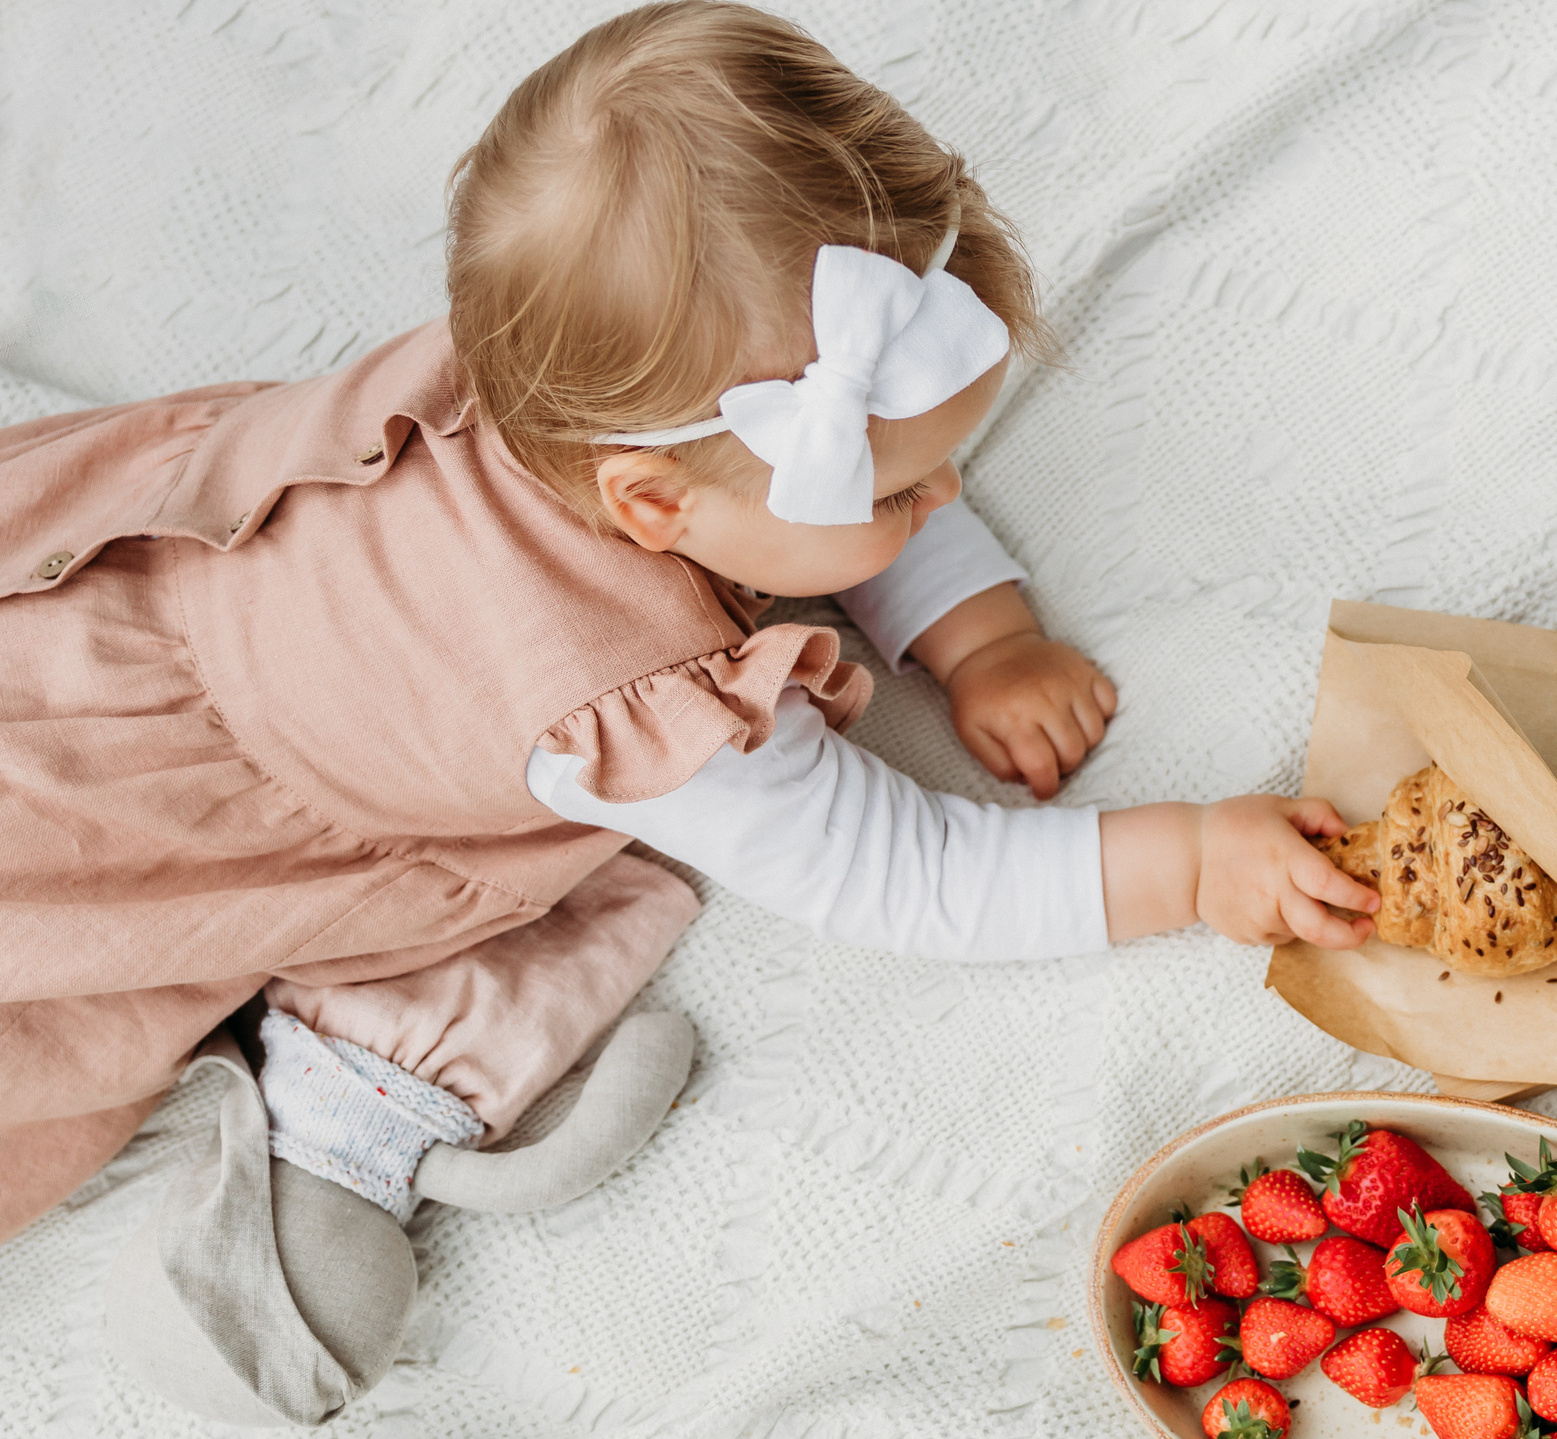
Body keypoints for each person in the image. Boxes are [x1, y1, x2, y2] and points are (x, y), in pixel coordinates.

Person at [0, 0, 1379, 1244]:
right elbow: (903, 875)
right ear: (653, 509)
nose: (950, 494)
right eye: (904, 491)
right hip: (114, 801)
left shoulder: (571, 365)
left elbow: (820, 501)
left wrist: (980, 630)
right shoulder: (633, 703)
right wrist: (1191, 865)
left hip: (169, 585)